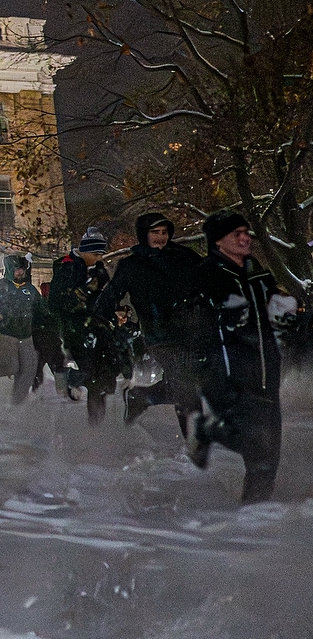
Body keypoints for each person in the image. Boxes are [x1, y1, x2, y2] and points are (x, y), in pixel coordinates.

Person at [189, 212, 298, 502]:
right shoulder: (207, 273)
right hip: (230, 371)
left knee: (270, 449)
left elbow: (275, 303)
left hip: (266, 368)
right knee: (258, 448)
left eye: (246, 232)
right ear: (218, 241)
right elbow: (193, 323)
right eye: (236, 233)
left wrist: (289, 314)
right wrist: (222, 316)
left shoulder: (255, 269)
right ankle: (253, 513)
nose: (244, 237)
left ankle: (254, 512)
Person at [94, 212, 205, 430]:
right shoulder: (132, 265)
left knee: (189, 381)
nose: (160, 237)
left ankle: (143, 396)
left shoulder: (184, 257)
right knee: (184, 385)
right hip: (159, 334)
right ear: (144, 234)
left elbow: (209, 280)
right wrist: (100, 319)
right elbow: (112, 294)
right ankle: (195, 442)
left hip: (191, 330)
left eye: (164, 232)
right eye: (155, 232)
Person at [50, 228, 125, 424]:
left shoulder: (100, 270)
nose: (98, 258)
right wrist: (83, 292)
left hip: (101, 329)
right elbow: (56, 303)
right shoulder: (66, 268)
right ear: (83, 251)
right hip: (76, 329)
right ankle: (74, 382)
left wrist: (117, 312)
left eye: (101, 254)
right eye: (95, 254)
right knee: (94, 376)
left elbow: (106, 298)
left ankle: (96, 421)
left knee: (106, 376)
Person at [0, 255, 61, 406]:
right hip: (3, 332)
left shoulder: (30, 289)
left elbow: (41, 309)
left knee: (29, 368)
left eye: (22, 270)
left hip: (26, 334)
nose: (20, 272)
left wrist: (53, 315)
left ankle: (17, 402)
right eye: (17, 270)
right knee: (10, 366)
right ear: (9, 270)